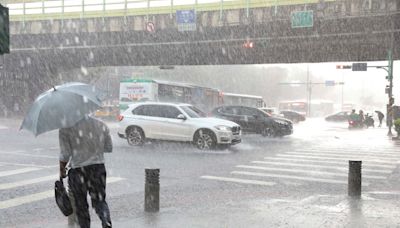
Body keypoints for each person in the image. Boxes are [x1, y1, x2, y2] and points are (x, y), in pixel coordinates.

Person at [59, 115, 113, 228]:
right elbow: (108, 147)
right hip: (98, 168)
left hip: (78, 171)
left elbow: (65, 154)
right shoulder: (101, 124)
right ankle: (105, 219)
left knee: (81, 205)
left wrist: (62, 171)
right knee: (99, 200)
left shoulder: (65, 128)